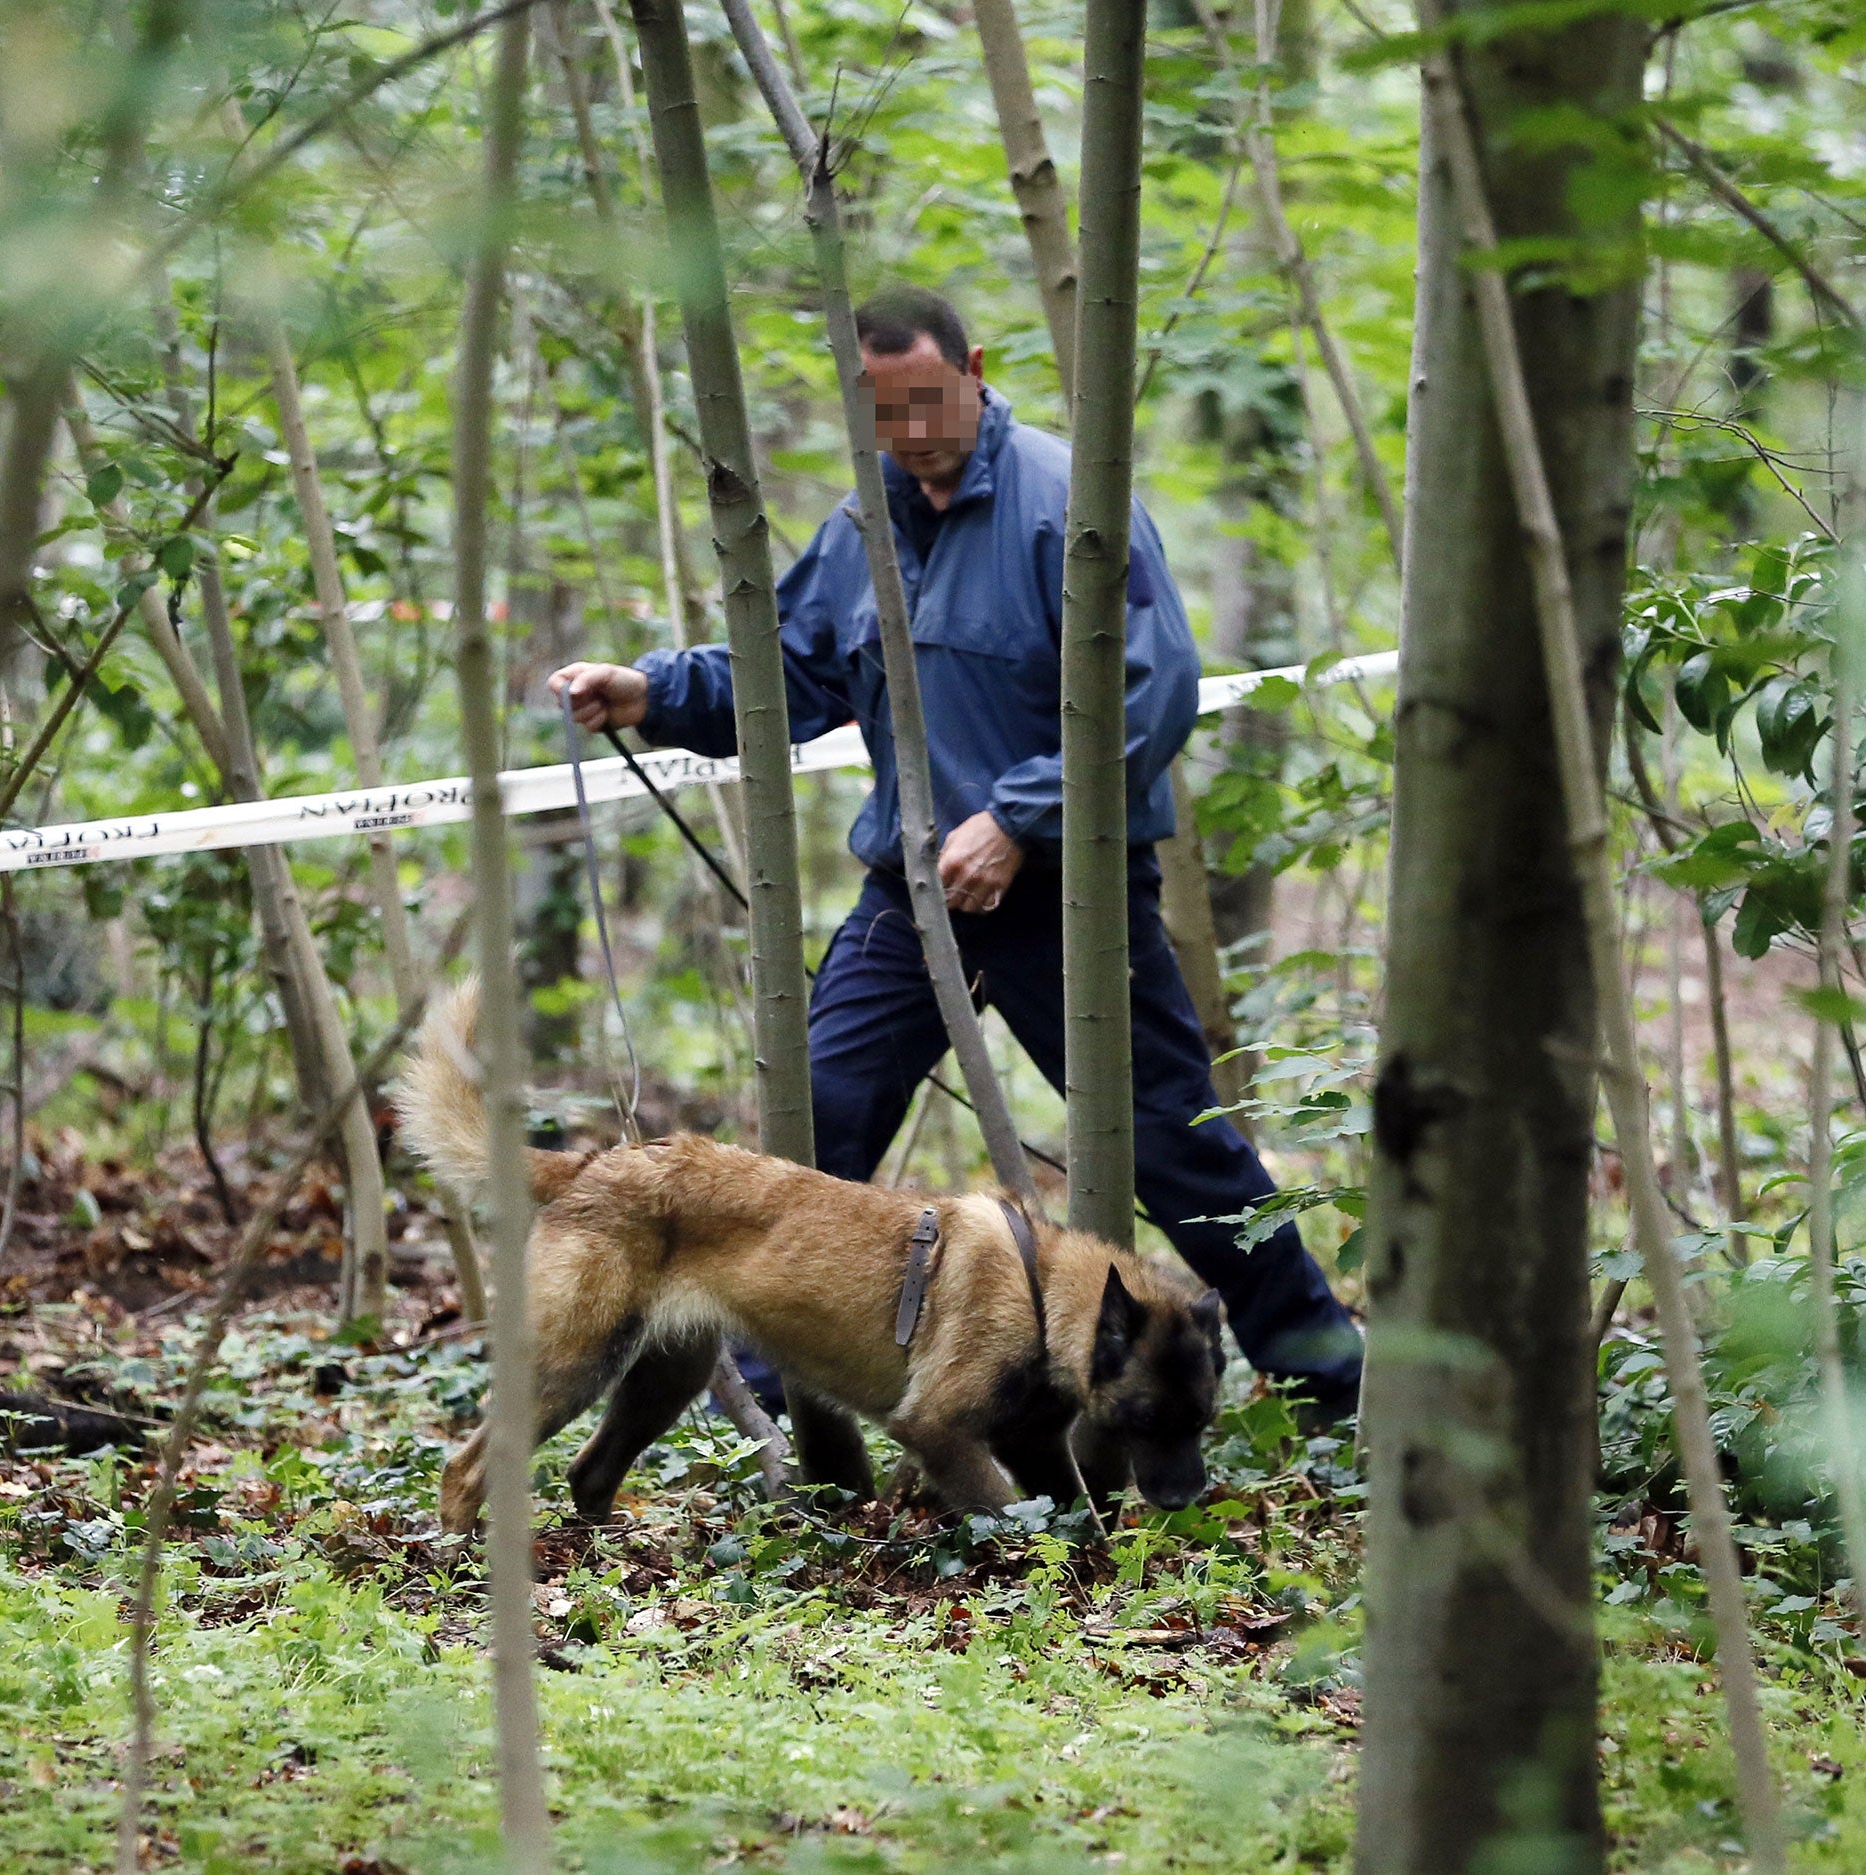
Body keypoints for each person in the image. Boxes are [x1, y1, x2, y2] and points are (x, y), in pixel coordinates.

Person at [553, 284, 1363, 1417]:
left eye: (926, 401)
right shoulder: (861, 524)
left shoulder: (1066, 502)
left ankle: (1334, 1379)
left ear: (973, 368)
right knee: (815, 1123)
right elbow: (787, 670)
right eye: (882, 414)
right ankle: (781, 1406)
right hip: (910, 895)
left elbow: (1153, 686)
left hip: (1066, 891)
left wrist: (1021, 819)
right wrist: (650, 691)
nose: (911, 433)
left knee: (1172, 1148)